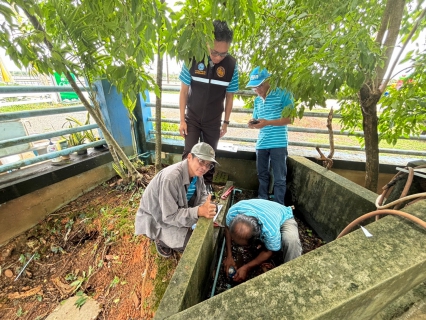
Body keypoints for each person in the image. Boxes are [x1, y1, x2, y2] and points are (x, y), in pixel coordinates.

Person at [178, 20, 239, 194]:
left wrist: (225, 122)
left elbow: (230, 96)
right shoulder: (192, 58)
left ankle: (205, 190)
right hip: (193, 118)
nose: (218, 57)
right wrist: (182, 120)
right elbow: (183, 92)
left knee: (209, 157)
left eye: (223, 54)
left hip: (213, 121)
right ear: (206, 42)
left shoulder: (232, 66)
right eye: (214, 52)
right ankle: (184, 190)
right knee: (189, 154)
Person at [135, 142, 218, 258]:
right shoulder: (171, 178)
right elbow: (169, 216)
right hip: (158, 219)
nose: (204, 168)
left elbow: (203, 193)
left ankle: (184, 226)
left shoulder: (197, 173)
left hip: (175, 210)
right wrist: (198, 211)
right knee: (194, 244)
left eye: (209, 165)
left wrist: (206, 205)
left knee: (213, 207)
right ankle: (160, 240)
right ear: (189, 157)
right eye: (201, 161)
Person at [246, 67, 294, 205]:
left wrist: (267, 123)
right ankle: (263, 201)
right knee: (262, 175)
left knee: (279, 177)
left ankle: (278, 205)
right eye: (254, 87)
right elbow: (257, 118)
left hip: (278, 142)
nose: (257, 90)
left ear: (269, 81)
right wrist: (252, 123)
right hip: (262, 142)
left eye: (260, 85)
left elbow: (290, 119)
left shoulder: (284, 94)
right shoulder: (257, 101)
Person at [223, 199, 302, 282]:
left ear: (255, 238)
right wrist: (229, 256)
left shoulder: (270, 231)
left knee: (291, 240)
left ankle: (292, 277)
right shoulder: (233, 212)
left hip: (283, 216)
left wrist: (246, 268)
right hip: (267, 211)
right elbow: (227, 229)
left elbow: (269, 251)